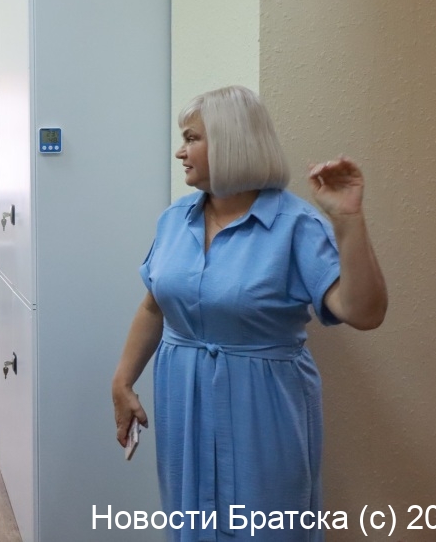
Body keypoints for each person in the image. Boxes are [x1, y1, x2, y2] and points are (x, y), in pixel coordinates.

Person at [111, 86, 387, 541]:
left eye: (192, 138)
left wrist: (348, 223)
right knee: (190, 519)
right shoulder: (174, 220)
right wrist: (122, 382)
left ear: (231, 143)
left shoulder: (296, 225)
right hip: (182, 398)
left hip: (263, 403)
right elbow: (153, 306)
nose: (180, 152)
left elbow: (364, 312)